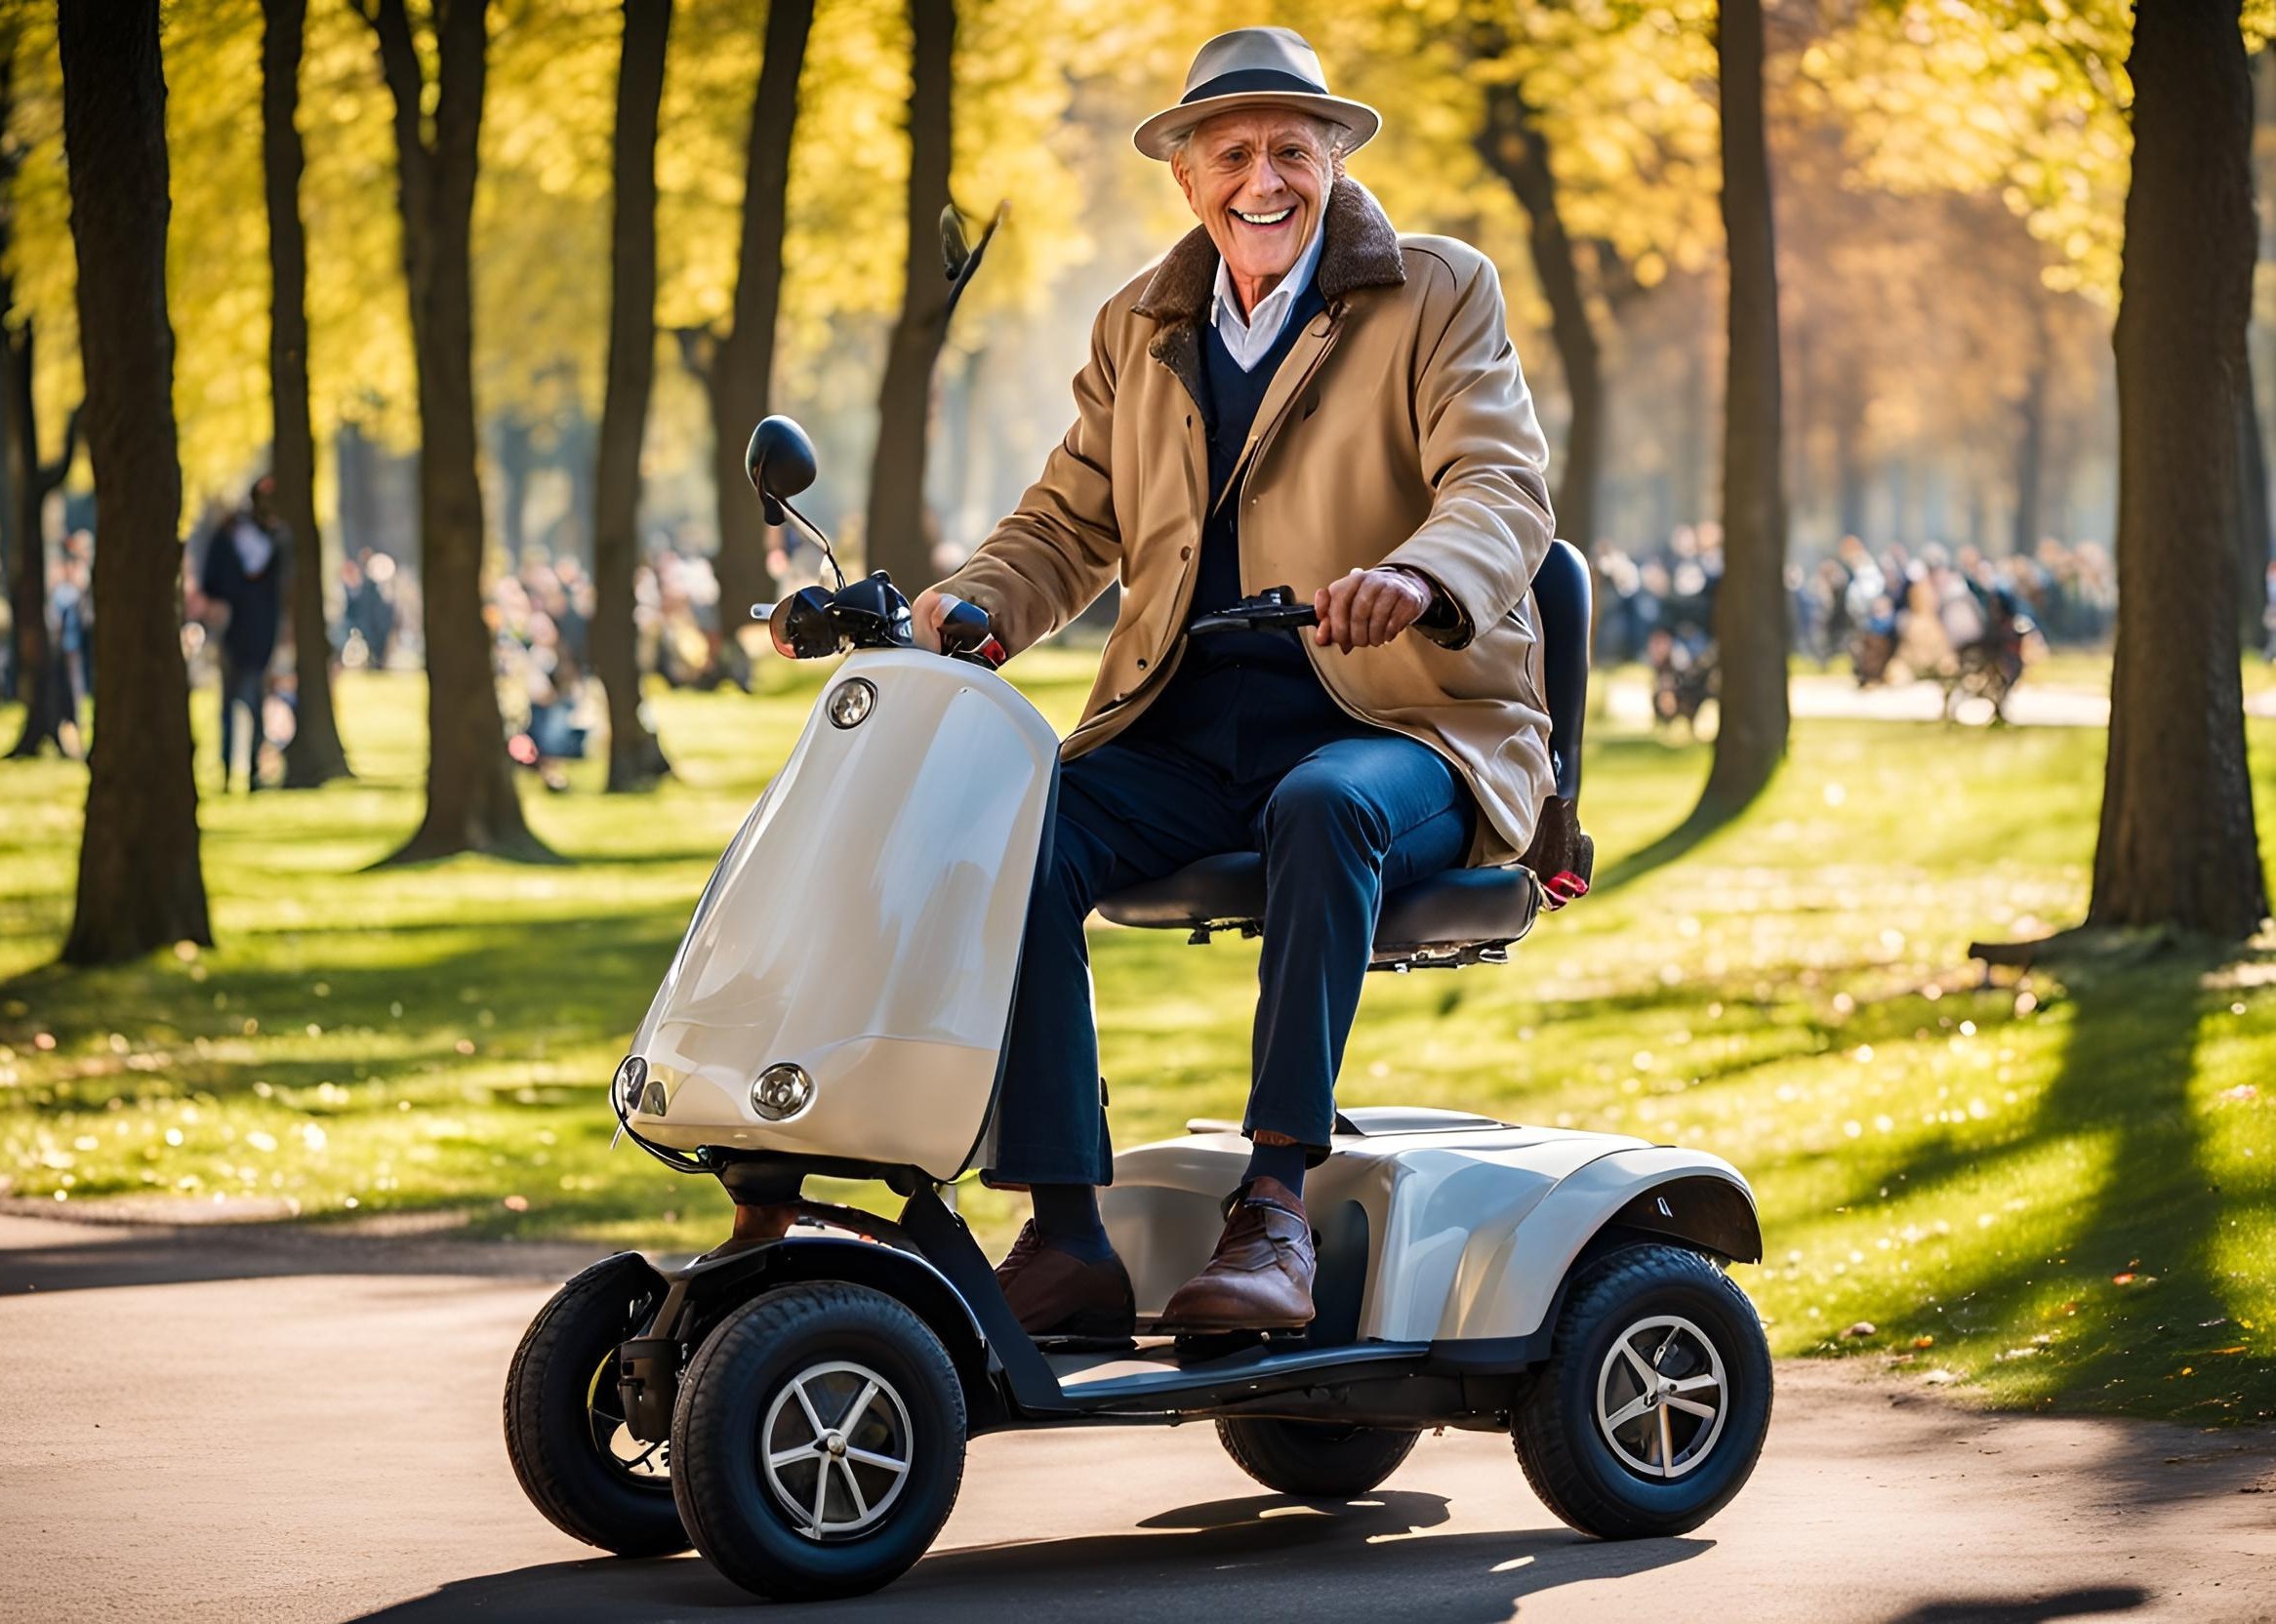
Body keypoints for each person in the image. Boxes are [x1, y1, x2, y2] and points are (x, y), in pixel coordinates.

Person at [910, 27, 1560, 1339]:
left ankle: (1274, 1213)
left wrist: (1420, 577)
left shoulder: (1437, 291)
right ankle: (1066, 1226)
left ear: (1330, 162)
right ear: (1189, 180)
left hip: (1405, 718)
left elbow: (1500, 482)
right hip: (1186, 726)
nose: (1264, 180)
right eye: (1234, 155)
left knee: (1325, 805)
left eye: (1290, 151)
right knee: (1010, 823)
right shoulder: (1139, 324)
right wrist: (970, 604)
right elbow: (1067, 523)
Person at [199, 478, 288, 791]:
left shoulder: (245, 537)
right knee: (245, 703)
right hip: (246, 631)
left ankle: (241, 770)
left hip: (246, 631)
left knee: (241, 703)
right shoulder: (268, 540)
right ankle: (241, 770)